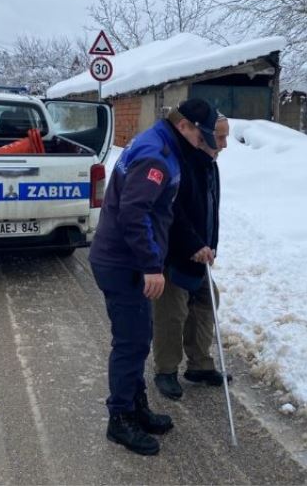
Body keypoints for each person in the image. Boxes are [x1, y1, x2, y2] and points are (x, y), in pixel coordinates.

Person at [89, 98, 220, 456]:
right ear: (185, 126)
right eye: (201, 135)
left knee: (140, 336)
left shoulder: (161, 143)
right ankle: (120, 419)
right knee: (130, 343)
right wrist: (150, 265)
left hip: (127, 260)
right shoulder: (156, 156)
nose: (204, 142)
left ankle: (136, 407)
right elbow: (134, 213)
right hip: (123, 263)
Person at [152, 110, 231, 400]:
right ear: (205, 135)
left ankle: (199, 365)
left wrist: (210, 244)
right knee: (172, 312)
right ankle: (166, 370)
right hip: (175, 252)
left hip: (201, 253)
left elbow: (209, 209)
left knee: (207, 300)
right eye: (220, 136)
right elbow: (172, 212)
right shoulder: (180, 163)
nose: (224, 144)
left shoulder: (209, 164)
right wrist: (193, 244)